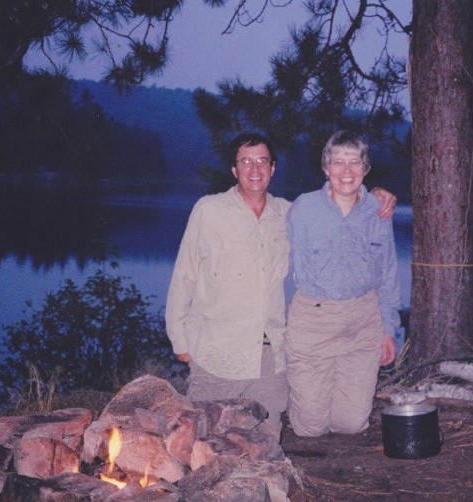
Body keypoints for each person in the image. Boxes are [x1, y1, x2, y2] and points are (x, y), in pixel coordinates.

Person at [165, 132, 396, 436]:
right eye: (245, 162)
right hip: (217, 349)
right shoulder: (211, 210)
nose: (254, 169)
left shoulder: (287, 212)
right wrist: (179, 338)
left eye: (262, 161)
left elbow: (380, 265)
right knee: (205, 438)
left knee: (268, 439)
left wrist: (378, 193)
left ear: (273, 168)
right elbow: (185, 275)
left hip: (268, 352)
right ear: (234, 170)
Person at [285, 130, 401, 437]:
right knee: (310, 429)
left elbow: (388, 273)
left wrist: (389, 330)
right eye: (338, 162)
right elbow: (284, 267)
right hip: (313, 320)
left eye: (354, 163)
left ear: (365, 168)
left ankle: (335, 396)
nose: (346, 172)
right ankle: (305, 396)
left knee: (350, 425)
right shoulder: (304, 209)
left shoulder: (379, 211)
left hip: (363, 321)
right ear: (326, 167)